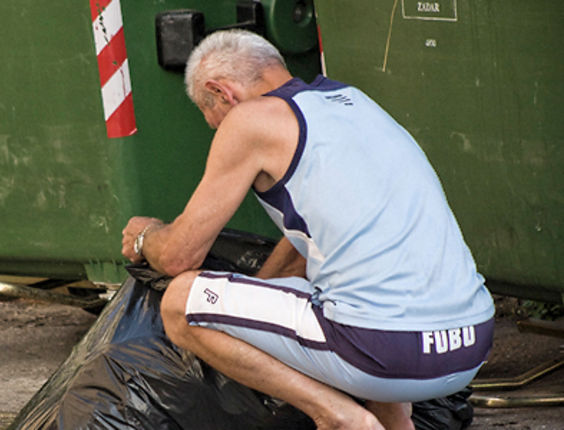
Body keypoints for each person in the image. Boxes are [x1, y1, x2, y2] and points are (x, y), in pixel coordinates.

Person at [121, 30, 494, 430]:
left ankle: (339, 418)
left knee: (180, 301)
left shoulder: (251, 119)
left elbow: (180, 255)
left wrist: (146, 235)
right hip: (469, 344)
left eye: (213, 120)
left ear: (222, 92)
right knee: (355, 298)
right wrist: (249, 310)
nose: (218, 131)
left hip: (386, 351)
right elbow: (310, 242)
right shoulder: (355, 102)